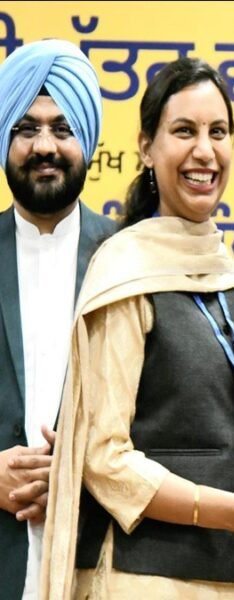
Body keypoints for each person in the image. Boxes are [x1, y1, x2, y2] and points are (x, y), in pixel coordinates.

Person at [40, 57, 234, 599]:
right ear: (146, 148)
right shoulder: (123, 271)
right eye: (184, 131)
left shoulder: (229, 276)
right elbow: (104, 459)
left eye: (218, 132)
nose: (204, 151)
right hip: (143, 580)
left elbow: (211, 434)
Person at [0, 39, 116, 600]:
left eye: (62, 128)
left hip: (101, 565)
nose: (44, 146)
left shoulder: (126, 259)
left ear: (87, 141)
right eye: (26, 129)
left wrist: (78, 477)